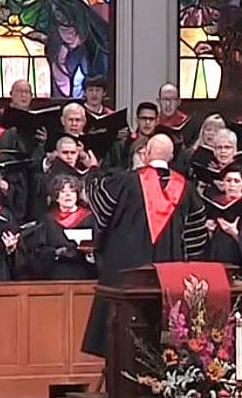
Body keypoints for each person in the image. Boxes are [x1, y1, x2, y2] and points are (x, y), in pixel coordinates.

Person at [81, 134, 207, 358]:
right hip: (168, 277)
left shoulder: (126, 181)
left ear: (147, 153)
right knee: (163, 336)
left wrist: (93, 171)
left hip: (125, 273)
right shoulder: (186, 189)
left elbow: (99, 201)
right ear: (171, 156)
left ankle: (120, 379)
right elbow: (196, 238)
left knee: (121, 334)